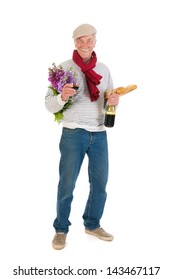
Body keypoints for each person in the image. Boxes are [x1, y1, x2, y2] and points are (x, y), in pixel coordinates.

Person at [45, 23, 119, 250]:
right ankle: (60, 229)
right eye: (80, 40)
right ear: (74, 42)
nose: (85, 44)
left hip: (99, 135)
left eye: (89, 40)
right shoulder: (62, 70)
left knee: (100, 185)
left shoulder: (104, 70)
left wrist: (114, 101)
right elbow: (49, 104)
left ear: (95, 42)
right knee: (66, 184)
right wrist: (61, 97)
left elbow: (109, 99)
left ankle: (92, 224)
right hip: (72, 134)